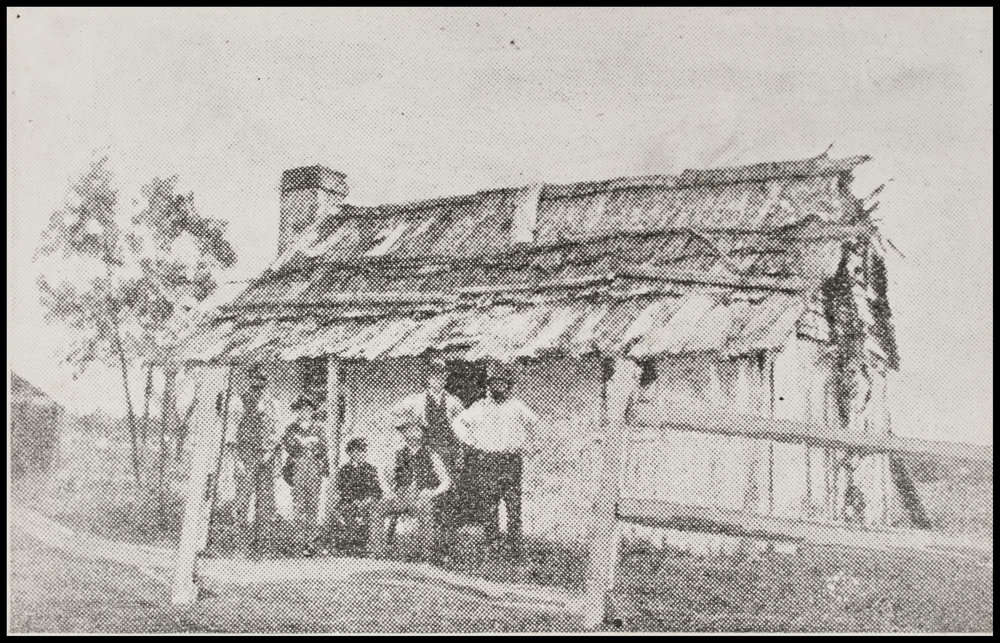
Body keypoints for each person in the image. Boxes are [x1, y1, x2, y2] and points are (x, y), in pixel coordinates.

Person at [452, 361, 540, 559]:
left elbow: (534, 423)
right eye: (494, 383)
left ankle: (515, 546)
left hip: (511, 461)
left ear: (508, 386)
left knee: (513, 503)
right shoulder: (480, 406)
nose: (499, 387)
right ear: (489, 385)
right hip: (488, 460)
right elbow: (458, 423)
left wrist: (527, 445)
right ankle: (493, 543)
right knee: (489, 504)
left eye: (503, 383)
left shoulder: (516, 406)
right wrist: (471, 442)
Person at [368, 411, 452, 562]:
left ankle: (427, 554)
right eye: (407, 430)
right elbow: (381, 472)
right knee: (376, 508)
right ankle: (377, 552)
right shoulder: (397, 454)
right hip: (400, 495)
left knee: (426, 509)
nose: (411, 434)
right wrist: (388, 491)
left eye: (415, 430)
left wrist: (432, 492)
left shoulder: (431, 455)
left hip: (421, 496)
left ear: (421, 433)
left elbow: (446, 481)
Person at [228, 366, 281, 558]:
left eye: (262, 381)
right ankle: (241, 546)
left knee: (265, 503)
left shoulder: (272, 404)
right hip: (246, 454)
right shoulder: (239, 401)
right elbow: (232, 432)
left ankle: (262, 547)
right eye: (254, 381)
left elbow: (275, 431)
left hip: (266, 456)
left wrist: (272, 455)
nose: (258, 385)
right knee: (242, 501)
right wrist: (237, 460)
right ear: (249, 381)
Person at [394, 358, 466, 477]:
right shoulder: (416, 400)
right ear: (428, 378)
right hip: (426, 447)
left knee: (450, 480)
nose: (438, 379)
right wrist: (408, 427)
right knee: (427, 479)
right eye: (435, 375)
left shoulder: (453, 401)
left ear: (446, 378)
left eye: (442, 376)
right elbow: (393, 414)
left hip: (448, 447)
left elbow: (465, 423)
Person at [280, 396, 330, 555]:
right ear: (297, 411)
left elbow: (323, 447)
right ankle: (299, 542)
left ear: (312, 411)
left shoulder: (319, 428)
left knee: (313, 503)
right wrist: (301, 445)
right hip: (298, 466)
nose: (305, 412)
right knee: (299, 503)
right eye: (301, 410)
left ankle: (311, 543)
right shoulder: (292, 428)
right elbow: (287, 444)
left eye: (308, 410)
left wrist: (312, 448)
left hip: (314, 467)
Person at [333, 437, 383, 553]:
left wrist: (369, 499)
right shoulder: (344, 470)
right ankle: (349, 545)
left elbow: (377, 490)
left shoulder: (370, 469)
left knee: (372, 512)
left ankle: (369, 546)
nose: (360, 454)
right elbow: (342, 489)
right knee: (346, 512)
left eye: (362, 451)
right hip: (349, 501)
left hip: (367, 502)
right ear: (350, 452)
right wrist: (354, 500)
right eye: (357, 451)